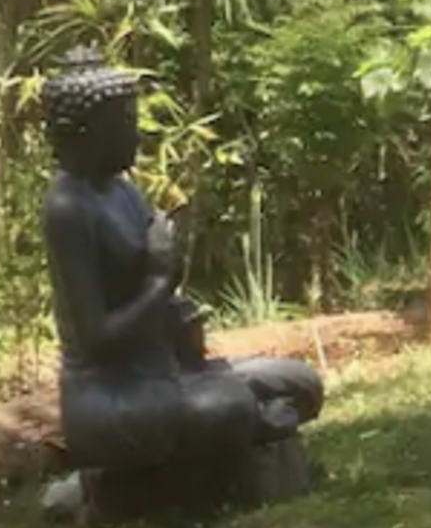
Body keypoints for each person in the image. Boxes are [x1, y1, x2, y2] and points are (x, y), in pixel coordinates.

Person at [37, 56, 324, 488]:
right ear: (89, 132)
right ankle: (116, 488)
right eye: (125, 121)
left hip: (170, 371)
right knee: (223, 407)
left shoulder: (123, 190)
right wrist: (158, 281)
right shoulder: (67, 208)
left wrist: (177, 317)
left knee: (300, 381)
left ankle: (249, 425)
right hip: (110, 396)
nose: (136, 131)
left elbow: (158, 288)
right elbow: (96, 341)